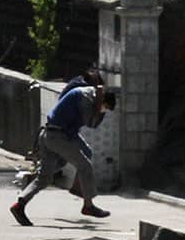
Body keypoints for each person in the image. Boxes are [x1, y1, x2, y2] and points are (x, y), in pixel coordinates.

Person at [10, 85, 116, 226]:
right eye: (106, 107)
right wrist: (100, 111)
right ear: (101, 100)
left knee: (45, 178)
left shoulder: (85, 93)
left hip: (51, 134)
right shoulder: (85, 99)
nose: (104, 110)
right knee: (85, 166)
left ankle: (19, 205)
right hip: (59, 137)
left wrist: (98, 106)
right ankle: (88, 205)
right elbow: (92, 123)